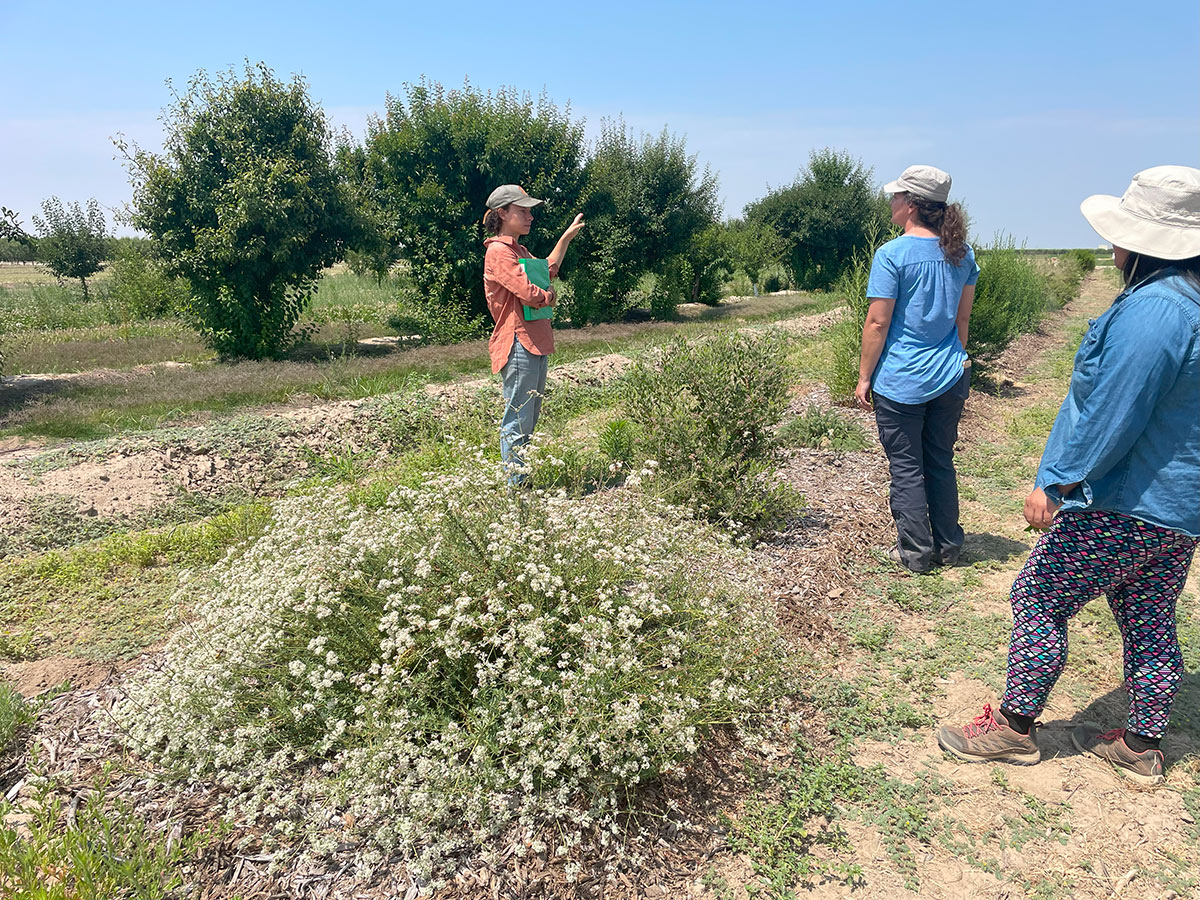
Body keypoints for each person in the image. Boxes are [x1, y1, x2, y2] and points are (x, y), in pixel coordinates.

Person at [936, 165, 1200, 786]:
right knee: (1149, 613)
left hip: (1123, 501)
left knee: (1040, 596)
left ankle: (1013, 729)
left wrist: (1059, 482)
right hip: (1176, 506)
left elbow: (1115, 412)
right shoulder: (1189, 303)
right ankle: (1140, 744)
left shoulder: (1155, 312)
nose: (1112, 248)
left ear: (1141, 243)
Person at [856, 165, 979, 573]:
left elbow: (877, 323)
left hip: (902, 379)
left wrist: (864, 377)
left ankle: (915, 553)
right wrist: (953, 360)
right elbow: (962, 322)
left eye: (895, 196)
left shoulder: (892, 255)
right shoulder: (962, 254)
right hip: (950, 374)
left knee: (907, 467)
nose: (890, 202)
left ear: (910, 205)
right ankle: (948, 546)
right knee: (940, 459)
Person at [482, 184, 585, 482]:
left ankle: (520, 481)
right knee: (518, 419)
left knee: (527, 419)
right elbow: (529, 292)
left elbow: (546, 271)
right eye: (522, 211)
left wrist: (565, 239)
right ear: (503, 213)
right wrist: (549, 296)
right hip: (517, 343)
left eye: (529, 211)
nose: (530, 217)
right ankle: (516, 489)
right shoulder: (500, 252)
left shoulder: (520, 251)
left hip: (532, 343)